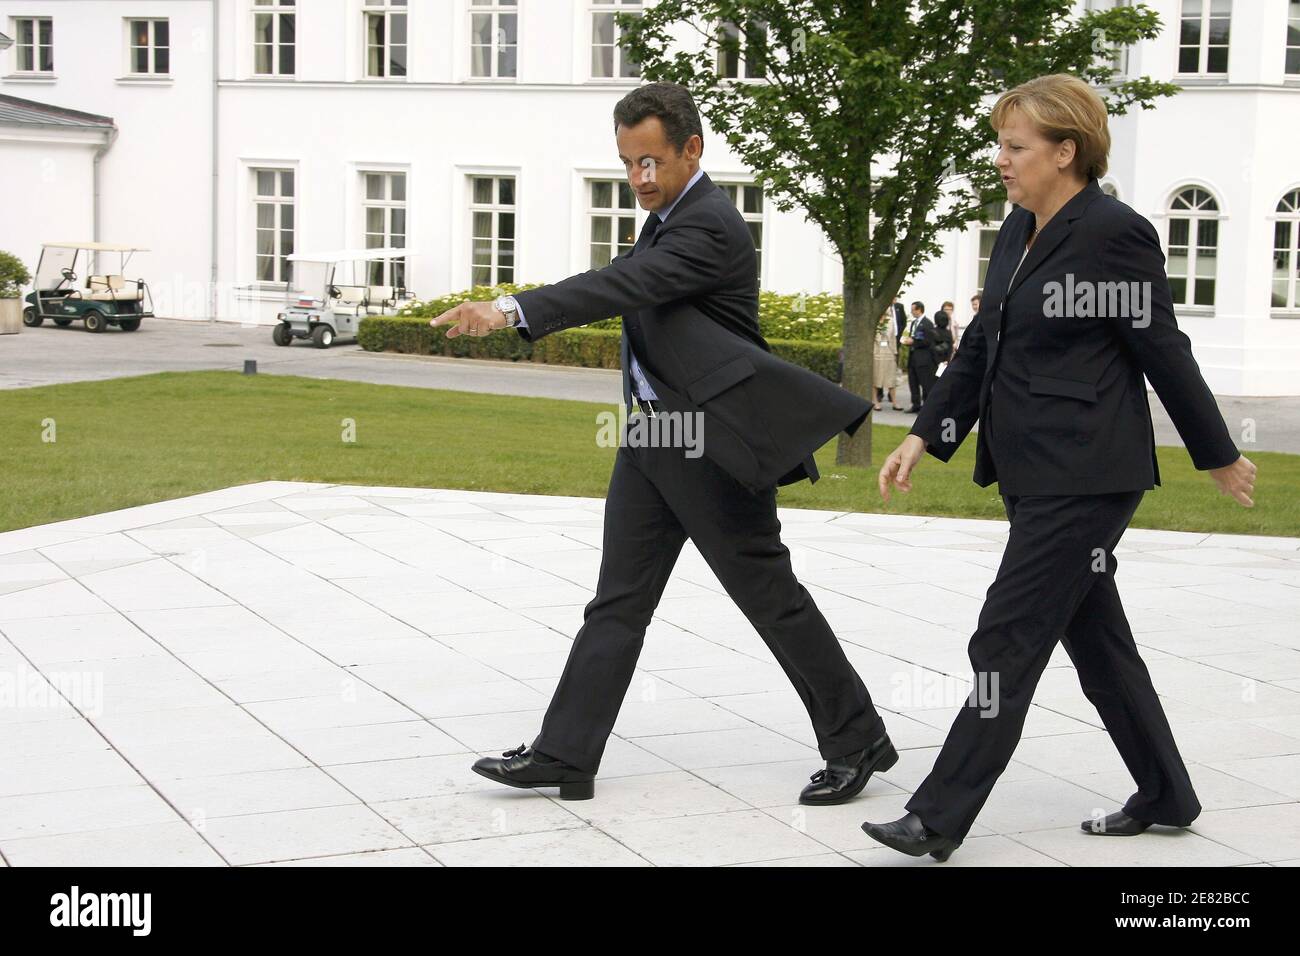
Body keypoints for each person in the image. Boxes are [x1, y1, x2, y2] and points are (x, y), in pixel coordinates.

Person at [429, 82, 897, 806]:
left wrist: (509, 310)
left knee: (770, 599)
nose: (640, 178)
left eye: (651, 161)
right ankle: (566, 754)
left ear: (692, 149)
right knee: (616, 602)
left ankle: (856, 738)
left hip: (714, 449)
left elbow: (624, 285)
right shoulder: (667, 217)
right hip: (653, 438)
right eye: (628, 163)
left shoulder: (709, 223)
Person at [862, 73, 1256, 862]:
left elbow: (1161, 348)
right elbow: (983, 345)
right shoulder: (1018, 227)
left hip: (1087, 476)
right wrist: (926, 434)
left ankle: (937, 817)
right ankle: (1167, 792)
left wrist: (1218, 453)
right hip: (1031, 469)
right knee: (1099, 642)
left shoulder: (1115, 233)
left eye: (1016, 147)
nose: (1001, 160)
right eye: (1001, 145)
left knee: (1004, 639)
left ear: (1066, 151)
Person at [901, 301, 937, 412]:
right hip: (913, 357)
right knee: (913, 382)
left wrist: (913, 342)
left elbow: (928, 341)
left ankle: (926, 407)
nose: (911, 312)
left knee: (925, 383)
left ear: (919, 310)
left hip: (923, 358)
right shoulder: (913, 323)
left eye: (913, 310)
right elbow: (914, 336)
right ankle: (915, 404)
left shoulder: (927, 324)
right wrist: (908, 341)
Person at [872, 307, 902, 410]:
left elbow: (893, 338)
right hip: (876, 351)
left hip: (888, 351)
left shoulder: (890, 321)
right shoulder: (872, 320)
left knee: (891, 378)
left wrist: (895, 352)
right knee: (876, 377)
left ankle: (894, 402)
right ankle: (875, 401)